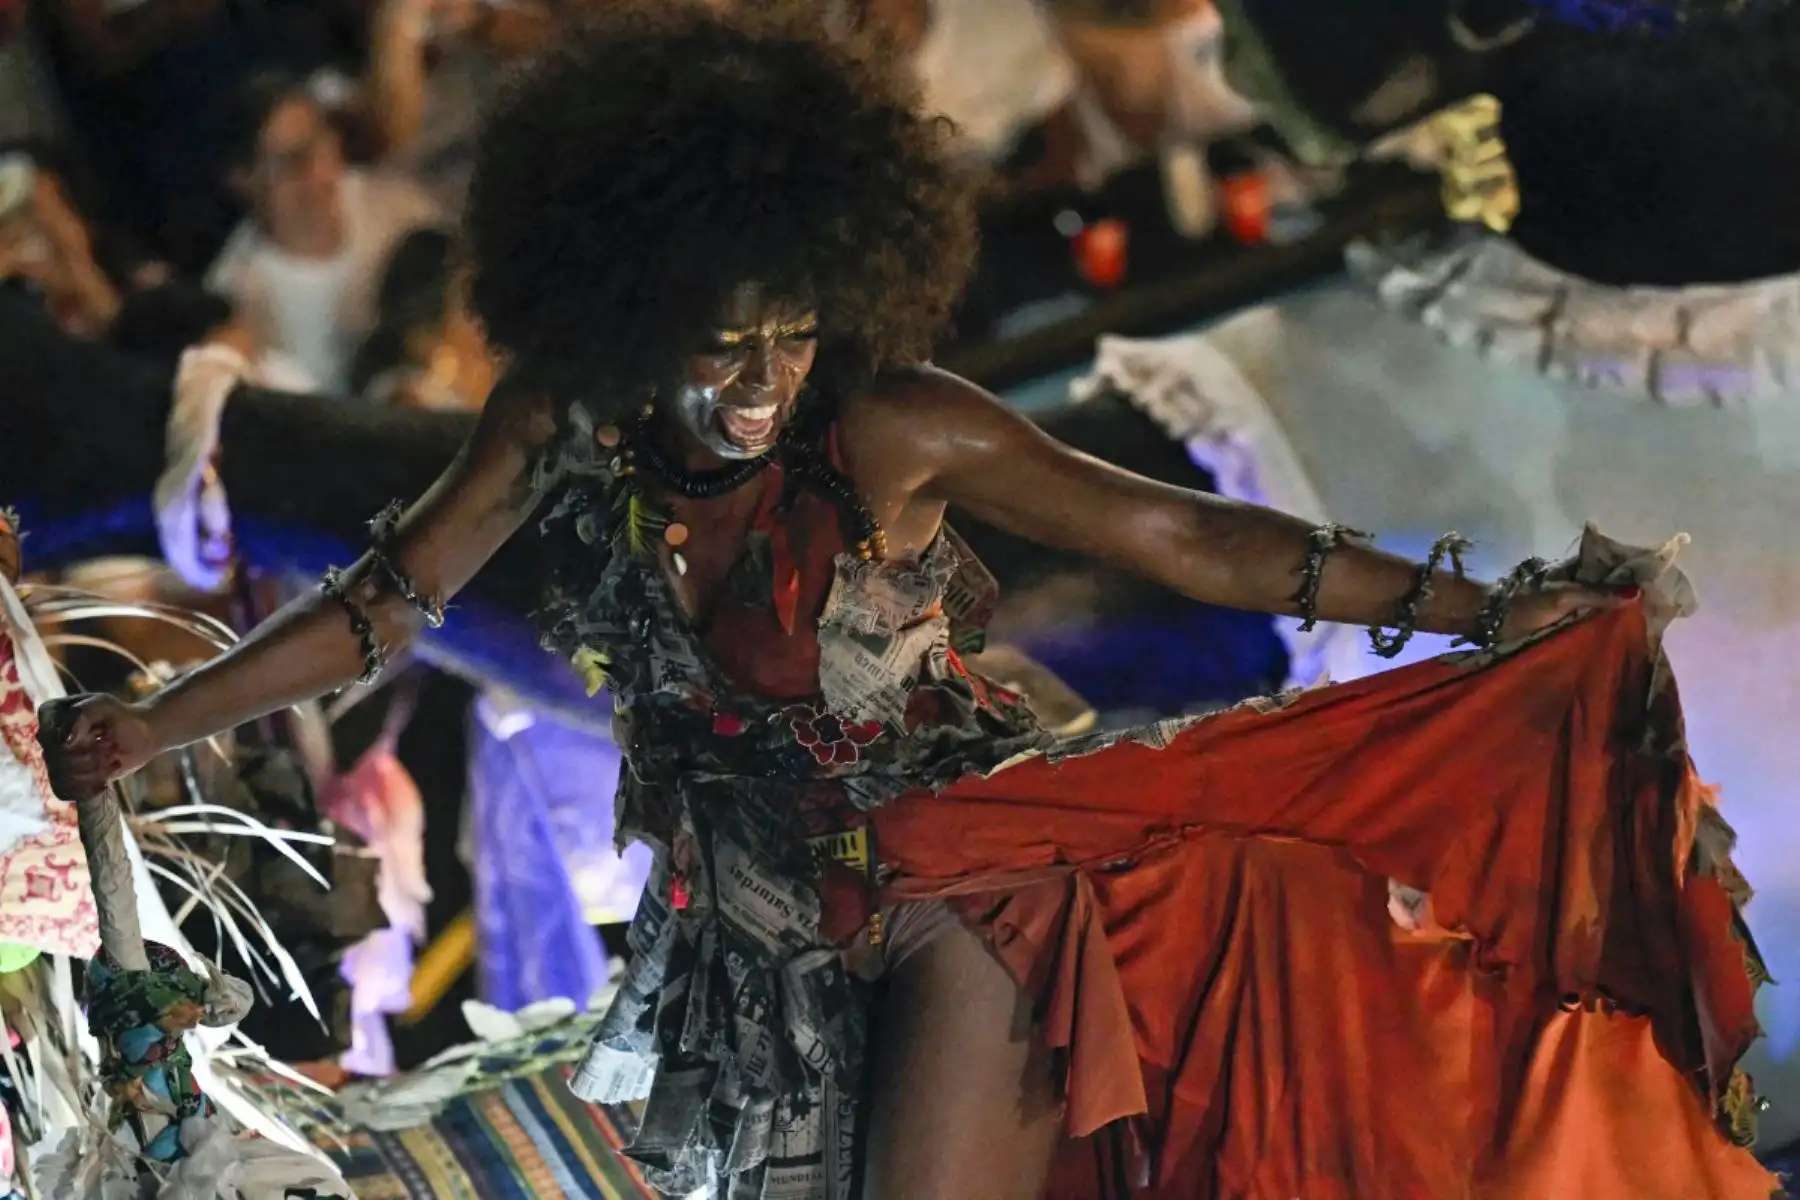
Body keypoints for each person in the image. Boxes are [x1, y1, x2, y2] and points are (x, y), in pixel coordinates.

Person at [34, 5, 1772, 1198]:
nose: (764, 384)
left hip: (966, 882)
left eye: (797, 333)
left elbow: (1201, 543)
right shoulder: (564, 422)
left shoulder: (895, 424)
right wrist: (154, 725)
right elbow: (385, 603)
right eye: (724, 345)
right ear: (630, 310)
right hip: (746, 939)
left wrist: (1491, 615)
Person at [206, 70, 442, 393]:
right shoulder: (236, 297)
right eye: (293, 161)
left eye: (321, 141)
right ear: (244, 180)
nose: (320, 170)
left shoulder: (393, 207)